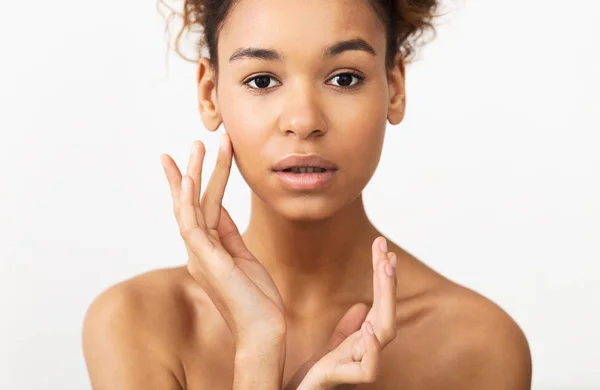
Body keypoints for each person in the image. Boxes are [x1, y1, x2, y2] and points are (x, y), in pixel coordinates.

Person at [82, 0, 533, 388]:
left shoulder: (479, 346)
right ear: (209, 94)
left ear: (394, 86)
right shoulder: (136, 323)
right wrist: (257, 352)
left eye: (344, 78)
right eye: (262, 80)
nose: (303, 120)